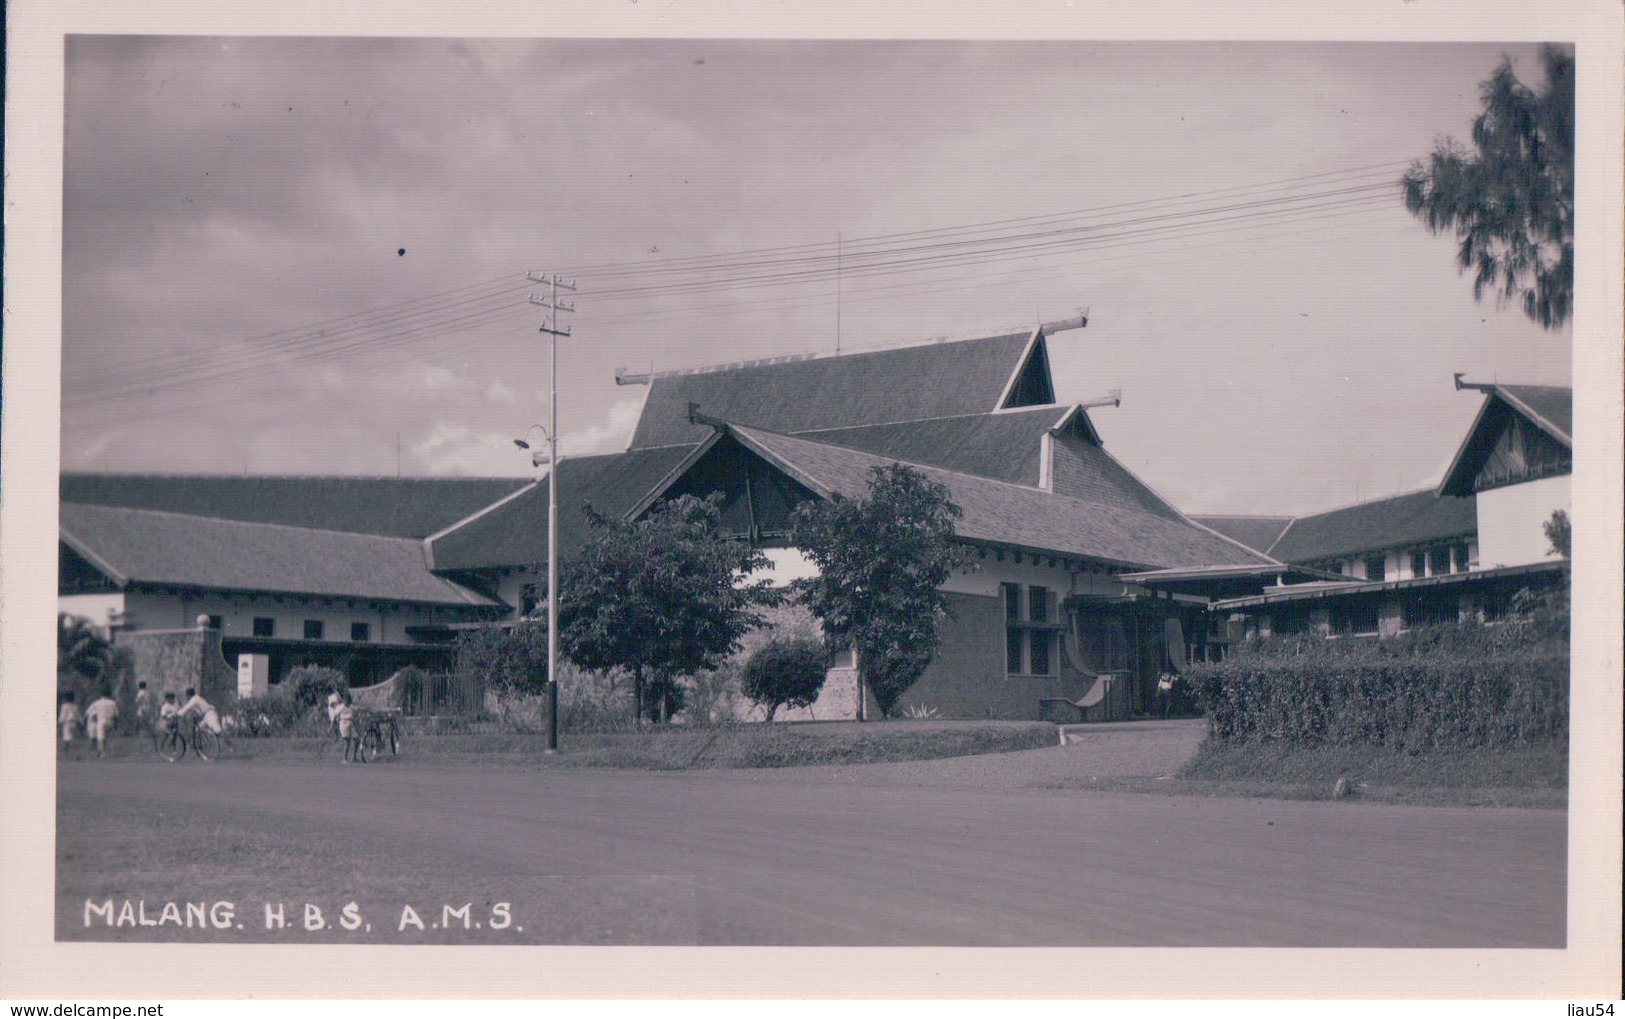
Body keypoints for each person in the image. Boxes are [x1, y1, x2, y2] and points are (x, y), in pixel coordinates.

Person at [84, 689, 120, 757]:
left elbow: (87, 713)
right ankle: (108, 752)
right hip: (110, 721)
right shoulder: (113, 703)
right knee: (107, 737)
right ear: (109, 694)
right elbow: (116, 715)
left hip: (101, 720)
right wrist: (116, 725)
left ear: (101, 695)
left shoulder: (96, 702)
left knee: (101, 738)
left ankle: (103, 753)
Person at [335, 693, 361, 763]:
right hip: (343, 723)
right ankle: (344, 758)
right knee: (347, 742)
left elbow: (357, 711)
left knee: (357, 740)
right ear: (344, 700)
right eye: (346, 700)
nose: (347, 701)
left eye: (348, 700)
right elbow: (336, 715)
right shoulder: (340, 707)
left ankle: (354, 757)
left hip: (350, 723)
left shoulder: (351, 707)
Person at [58, 692, 83, 756]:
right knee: (72, 738)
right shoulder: (75, 706)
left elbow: (63, 715)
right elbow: (78, 715)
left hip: (67, 723)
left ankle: (67, 752)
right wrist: (81, 722)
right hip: (74, 723)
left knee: (67, 738)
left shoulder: (64, 706)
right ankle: (73, 752)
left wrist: (60, 723)